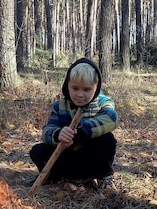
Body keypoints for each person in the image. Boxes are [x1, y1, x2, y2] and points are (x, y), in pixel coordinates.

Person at [29, 57, 118, 191]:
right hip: (68, 158)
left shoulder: (103, 103)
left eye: (87, 89)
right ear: (67, 86)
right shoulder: (59, 106)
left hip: (91, 160)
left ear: (96, 87)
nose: (80, 94)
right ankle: (55, 177)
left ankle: (104, 177)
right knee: (37, 151)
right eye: (75, 88)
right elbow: (47, 130)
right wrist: (58, 134)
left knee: (107, 140)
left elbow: (111, 119)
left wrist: (81, 133)